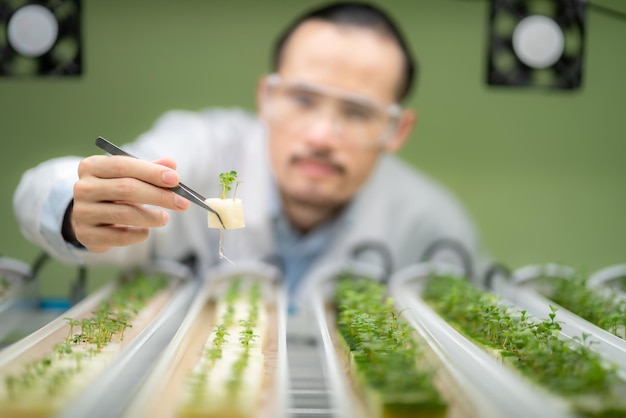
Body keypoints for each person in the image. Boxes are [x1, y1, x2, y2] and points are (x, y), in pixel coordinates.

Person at [13, 1, 488, 310]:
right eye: (302, 100)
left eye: (358, 111)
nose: (322, 135)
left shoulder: (432, 222)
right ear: (267, 97)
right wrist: (76, 207)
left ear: (395, 129)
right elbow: (42, 188)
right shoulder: (199, 150)